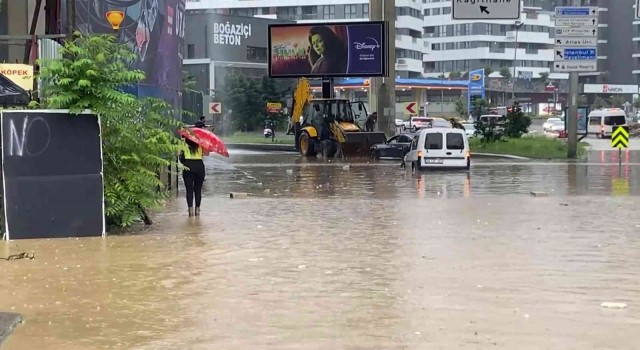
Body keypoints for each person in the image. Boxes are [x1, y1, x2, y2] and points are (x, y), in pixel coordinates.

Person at [179, 138, 209, 217]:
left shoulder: (183, 142)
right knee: (198, 190)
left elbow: (179, 154)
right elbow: (207, 153)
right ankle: (197, 212)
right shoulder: (201, 142)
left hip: (188, 165)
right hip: (199, 166)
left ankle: (190, 212)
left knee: (189, 190)